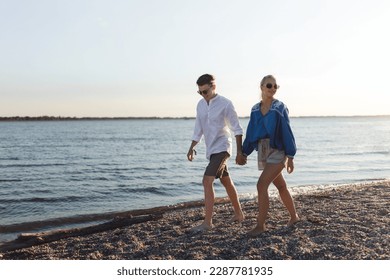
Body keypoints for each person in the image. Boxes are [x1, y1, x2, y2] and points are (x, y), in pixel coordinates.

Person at [239, 74, 299, 236]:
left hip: (278, 151)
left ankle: (261, 225)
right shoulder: (254, 109)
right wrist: (244, 152)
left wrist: (291, 156)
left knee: (261, 185)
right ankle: (294, 217)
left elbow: (287, 130)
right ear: (262, 87)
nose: (272, 88)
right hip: (263, 150)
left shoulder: (280, 107)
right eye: (269, 85)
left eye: (275, 86)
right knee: (280, 186)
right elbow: (251, 132)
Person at [187, 74, 245, 232]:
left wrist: (240, 152)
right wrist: (192, 147)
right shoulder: (200, 105)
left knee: (207, 181)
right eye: (200, 92)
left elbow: (237, 129)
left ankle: (207, 223)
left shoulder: (225, 104)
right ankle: (239, 214)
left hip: (223, 147)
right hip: (211, 150)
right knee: (226, 181)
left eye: (205, 91)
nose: (203, 95)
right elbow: (198, 128)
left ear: (213, 87)